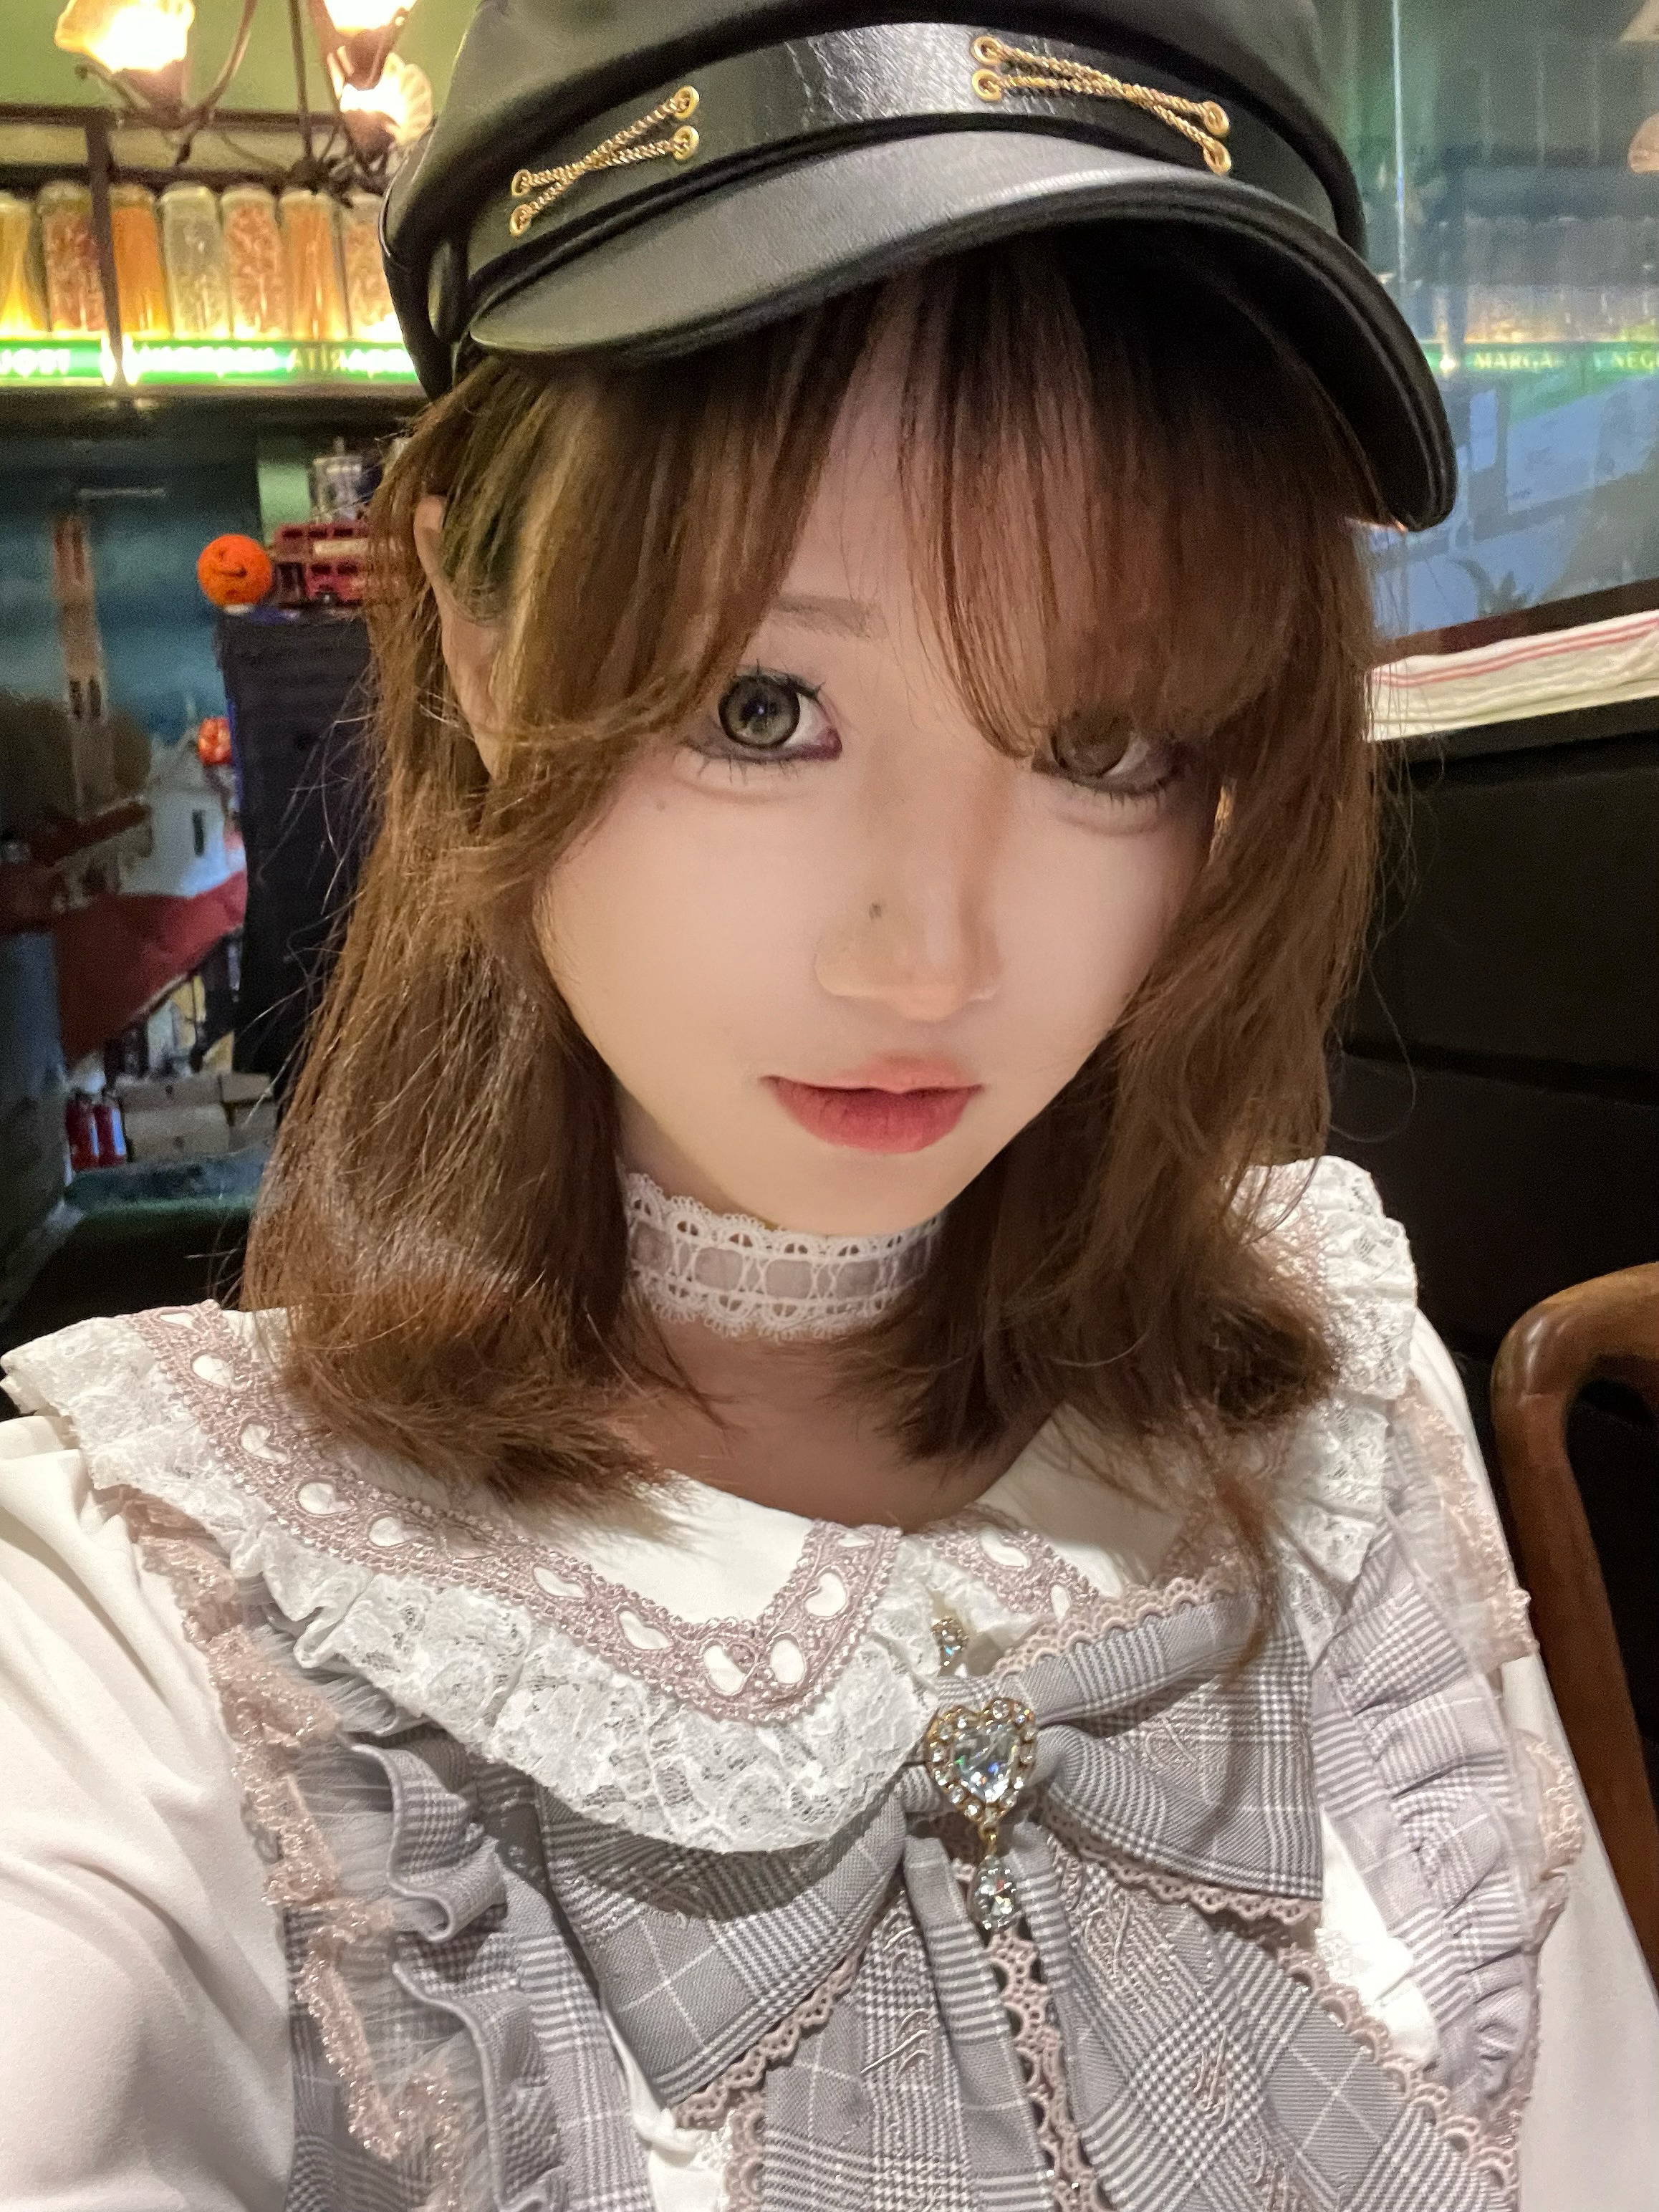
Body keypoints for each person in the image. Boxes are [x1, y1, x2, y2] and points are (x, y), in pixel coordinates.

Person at [1, 5, 1655, 2208]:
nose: (927, 957)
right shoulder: (168, 1608)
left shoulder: (1333, 1402)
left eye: (1101, 743)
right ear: (477, 628)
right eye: (763, 705)